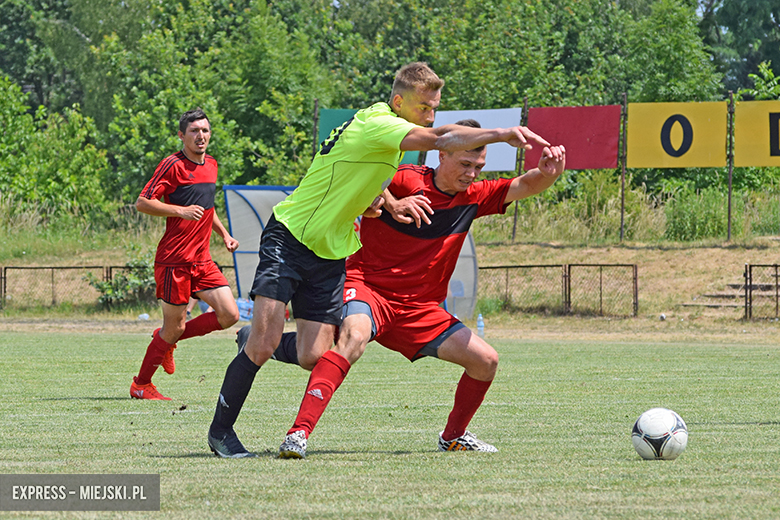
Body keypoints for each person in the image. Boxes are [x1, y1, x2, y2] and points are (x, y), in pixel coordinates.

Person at [207, 62, 552, 458]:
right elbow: (440, 138)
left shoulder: (389, 141)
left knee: (314, 355)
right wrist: (502, 133)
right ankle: (222, 434)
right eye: (424, 107)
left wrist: (388, 202)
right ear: (398, 102)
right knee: (264, 342)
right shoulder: (379, 122)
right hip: (292, 235)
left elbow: (370, 179)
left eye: (435, 108)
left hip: (332, 250)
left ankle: (252, 339)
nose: (430, 116)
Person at [263, 119, 566, 458]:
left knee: (486, 361)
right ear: (442, 155)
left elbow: (526, 184)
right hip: (369, 288)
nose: (471, 174)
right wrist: (389, 201)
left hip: (420, 310)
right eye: (465, 164)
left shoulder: (474, 196)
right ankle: (298, 434)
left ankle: (453, 437)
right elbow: (361, 176)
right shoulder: (405, 177)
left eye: (478, 167)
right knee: (352, 339)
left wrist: (549, 173)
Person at [130, 108, 240, 401]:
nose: (200, 136)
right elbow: (142, 202)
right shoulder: (172, 165)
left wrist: (225, 235)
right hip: (174, 261)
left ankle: (167, 339)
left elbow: (207, 208)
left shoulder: (212, 164)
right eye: (194, 131)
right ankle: (141, 384)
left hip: (202, 260)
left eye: (204, 130)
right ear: (182, 135)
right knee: (174, 326)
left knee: (230, 314)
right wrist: (179, 210)